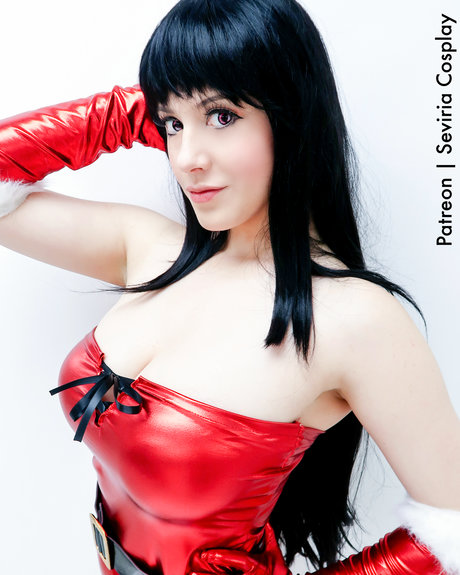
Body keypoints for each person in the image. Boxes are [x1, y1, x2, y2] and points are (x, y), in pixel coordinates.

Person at [0, 0, 459, 574]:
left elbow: (451, 524)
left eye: (222, 116)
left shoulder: (353, 318)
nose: (187, 159)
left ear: (293, 115)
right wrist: (134, 110)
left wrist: (182, 101)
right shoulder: (147, 249)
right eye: (171, 124)